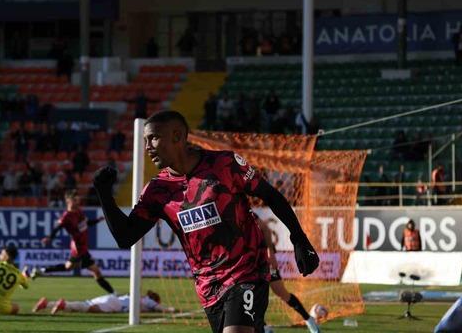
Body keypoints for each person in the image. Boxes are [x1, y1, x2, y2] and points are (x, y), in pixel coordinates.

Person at [92, 110, 319, 333]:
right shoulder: (157, 191)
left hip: (247, 273)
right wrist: (104, 194)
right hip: (208, 289)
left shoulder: (225, 164)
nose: (148, 146)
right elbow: (125, 236)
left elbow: (271, 195)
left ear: (177, 136)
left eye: (153, 137)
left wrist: (298, 237)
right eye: (145, 140)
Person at [37, 190, 115, 295]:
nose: (77, 202)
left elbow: (86, 223)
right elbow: (57, 227)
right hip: (78, 248)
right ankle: (113, 293)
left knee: (68, 267)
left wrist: (98, 220)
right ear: (68, 201)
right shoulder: (66, 216)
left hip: (82, 247)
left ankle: (41, 271)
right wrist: (49, 237)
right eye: (74, 200)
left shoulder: (79, 212)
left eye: (77, 200)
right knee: (95, 271)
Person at [255, 218, 320, 333]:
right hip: (249, 260)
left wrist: (270, 252)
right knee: (253, 295)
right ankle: (263, 327)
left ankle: (309, 320)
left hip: (264, 257)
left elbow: (266, 229)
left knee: (281, 292)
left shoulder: (244, 209)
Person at [32, 290, 174, 315]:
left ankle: (48, 304)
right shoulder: (148, 301)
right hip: (115, 304)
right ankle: (63, 305)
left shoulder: (138, 297)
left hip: (112, 299)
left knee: (85, 305)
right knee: (89, 309)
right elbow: (160, 308)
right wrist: (173, 310)